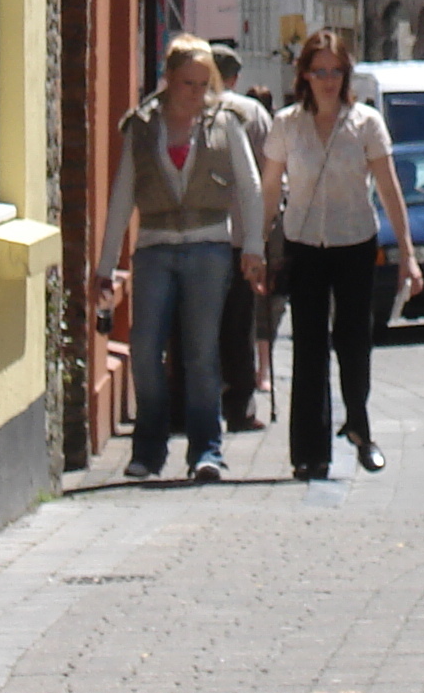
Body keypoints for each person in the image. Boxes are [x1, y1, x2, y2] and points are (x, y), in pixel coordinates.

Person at [91, 34, 265, 481]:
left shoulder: (225, 123)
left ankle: (207, 450)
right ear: (168, 79)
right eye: (188, 83)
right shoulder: (142, 126)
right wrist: (105, 267)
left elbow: (249, 186)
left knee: (201, 352)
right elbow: (121, 195)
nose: (197, 93)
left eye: (204, 84)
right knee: (146, 348)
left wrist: (253, 249)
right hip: (154, 246)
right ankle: (149, 446)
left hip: (208, 247)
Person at [259, 29, 420, 479]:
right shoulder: (287, 124)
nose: (328, 80)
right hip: (305, 244)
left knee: (354, 342)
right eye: (320, 71)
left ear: (346, 74)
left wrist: (407, 253)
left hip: (354, 241)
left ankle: (359, 427)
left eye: (336, 71)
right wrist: (256, 245)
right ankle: (309, 454)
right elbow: (270, 189)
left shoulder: (366, 123)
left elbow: (389, 190)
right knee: (308, 348)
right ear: (305, 75)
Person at [210, 44, 272, 432]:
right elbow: (271, 177)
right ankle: (240, 407)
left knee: (198, 323)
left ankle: (192, 404)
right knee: (239, 324)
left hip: (202, 235)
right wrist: (264, 236)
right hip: (243, 239)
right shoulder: (253, 113)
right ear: (234, 77)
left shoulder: (191, 107)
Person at [243, 82, 286, 414]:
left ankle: (258, 371)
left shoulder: (274, 136)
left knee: (263, 299)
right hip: (265, 224)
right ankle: (260, 370)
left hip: (262, 223)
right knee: (268, 300)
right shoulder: (270, 132)